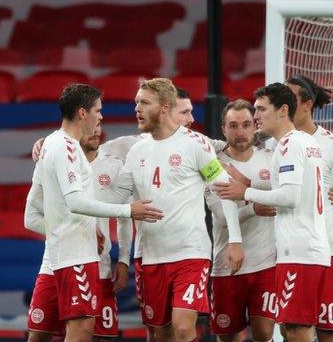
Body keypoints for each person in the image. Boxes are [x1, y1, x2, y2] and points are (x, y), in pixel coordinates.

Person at [25, 84, 163, 342]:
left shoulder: (53, 146)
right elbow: (76, 202)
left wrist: (72, 230)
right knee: (81, 331)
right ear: (82, 113)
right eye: (97, 111)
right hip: (76, 256)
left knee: (51, 335)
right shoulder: (66, 149)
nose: (101, 117)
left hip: (67, 255)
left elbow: (30, 217)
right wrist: (128, 210)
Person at [115, 78, 244, 342]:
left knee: (184, 329)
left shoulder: (195, 145)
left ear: (164, 107)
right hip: (150, 256)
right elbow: (117, 200)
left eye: (144, 102)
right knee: (160, 334)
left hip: (190, 254)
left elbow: (225, 189)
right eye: (136, 102)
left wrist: (235, 239)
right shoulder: (136, 151)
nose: (137, 108)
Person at [213, 83, 330, 342]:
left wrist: (244, 192)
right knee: (291, 328)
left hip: (300, 250)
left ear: (283, 110)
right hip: (308, 247)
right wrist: (250, 184)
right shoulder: (305, 141)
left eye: (261, 109)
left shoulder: (288, 146)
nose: (256, 116)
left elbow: (289, 197)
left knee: (297, 329)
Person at [25, 126, 133, 342]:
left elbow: (125, 216)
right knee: (38, 335)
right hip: (54, 263)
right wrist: (73, 232)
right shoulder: (56, 160)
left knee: (101, 337)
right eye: (90, 127)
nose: (96, 131)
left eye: (99, 125)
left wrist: (123, 260)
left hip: (98, 266)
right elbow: (32, 218)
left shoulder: (113, 165)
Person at [285, 75, 333, 342]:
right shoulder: (276, 143)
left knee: (328, 329)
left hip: (331, 247)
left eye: (290, 98)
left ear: (307, 104)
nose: (283, 105)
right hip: (291, 249)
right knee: (291, 327)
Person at [205, 99, 277, 342]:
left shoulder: (269, 158)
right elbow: (221, 217)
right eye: (233, 126)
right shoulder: (213, 165)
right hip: (227, 264)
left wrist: (250, 192)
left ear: (254, 127)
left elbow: (283, 196)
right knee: (228, 336)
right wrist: (254, 207)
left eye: (246, 124)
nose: (240, 132)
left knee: (265, 332)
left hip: (267, 263)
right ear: (223, 129)